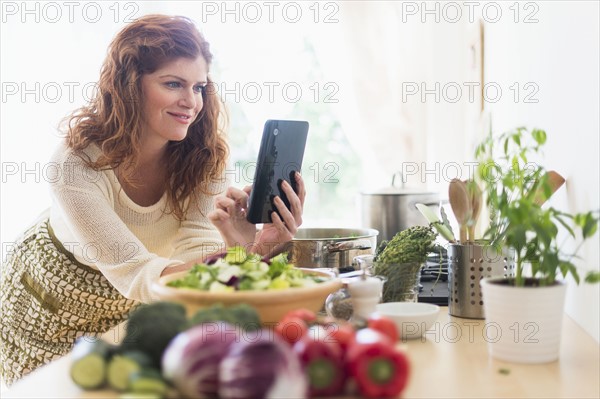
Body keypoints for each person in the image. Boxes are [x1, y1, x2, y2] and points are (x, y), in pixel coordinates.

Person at [0, 14, 305, 384]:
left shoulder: (204, 159)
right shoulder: (75, 163)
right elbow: (137, 274)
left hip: (140, 304)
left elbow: (192, 262)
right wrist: (241, 257)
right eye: (173, 83)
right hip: (46, 305)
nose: (191, 102)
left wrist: (248, 250)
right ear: (129, 85)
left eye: (199, 87)